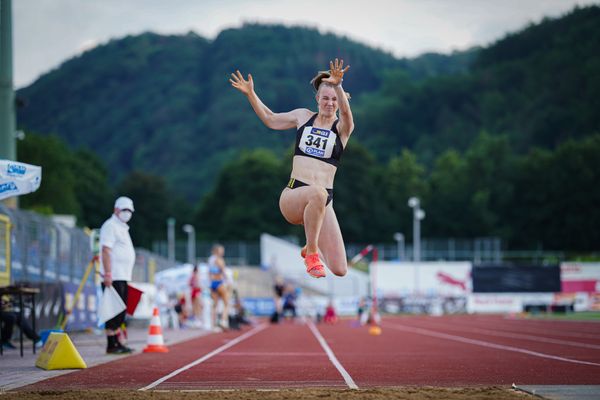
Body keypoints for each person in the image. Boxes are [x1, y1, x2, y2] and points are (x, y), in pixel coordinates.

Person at [230, 58, 354, 279]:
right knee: (317, 192)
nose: (330, 103)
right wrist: (251, 93)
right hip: (294, 195)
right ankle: (313, 252)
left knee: (340, 269)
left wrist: (338, 85)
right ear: (317, 99)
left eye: (335, 99)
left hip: (323, 203)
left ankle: (310, 246)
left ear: (342, 100)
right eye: (325, 98)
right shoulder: (303, 117)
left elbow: (345, 114)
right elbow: (270, 119)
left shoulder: (342, 129)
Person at [99, 196, 136, 354]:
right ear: (116, 210)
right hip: (114, 276)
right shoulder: (110, 226)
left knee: (120, 311)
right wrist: (108, 273)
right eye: (124, 210)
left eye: (129, 210)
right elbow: (106, 250)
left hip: (123, 275)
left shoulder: (122, 227)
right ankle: (111, 343)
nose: (127, 213)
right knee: (113, 310)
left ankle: (117, 341)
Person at [208, 244, 229, 331]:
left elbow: (209, 273)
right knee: (226, 303)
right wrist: (228, 280)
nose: (223, 252)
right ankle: (223, 321)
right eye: (221, 250)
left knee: (215, 305)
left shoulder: (210, 260)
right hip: (219, 282)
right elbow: (223, 271)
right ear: (218, 251)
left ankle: (214, 325)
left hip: (212, 283)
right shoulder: (219, 260)